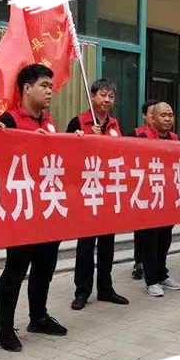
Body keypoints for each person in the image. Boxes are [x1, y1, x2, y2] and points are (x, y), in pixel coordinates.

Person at [0, 64, 68, 352]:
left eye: (51, 86)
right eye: (44, 86)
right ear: (26, 88)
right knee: (15, 270)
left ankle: (38, 317)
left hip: (48, 207)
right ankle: (4, 329)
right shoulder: (8, 120)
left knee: (45, 267)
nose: (50, 91)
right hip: (20, 209)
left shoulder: (49, 123)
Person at [66, 78, 129, 310]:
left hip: (109, 190)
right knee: (85, 244)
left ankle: (105, 288)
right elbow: (66, 154)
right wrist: (85, 140)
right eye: (103, 95)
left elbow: (122, 152)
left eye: (111, 96)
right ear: (92, 96)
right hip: (86, 190)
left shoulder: (115, 124)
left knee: (107, 243)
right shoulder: (78, 122)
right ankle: (82, 291)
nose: (107, 100)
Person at [136, 102, 180, 297]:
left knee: (165, 237)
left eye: (170, 115)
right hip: (150, 197)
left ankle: (162, 274)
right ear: (152, 118)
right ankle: (151, 280)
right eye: (163, 115)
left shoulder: (176, 139)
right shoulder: (142, 137)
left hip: (169, 197)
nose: (167, 119)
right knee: (151, 239)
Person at [129, 99, 160, 280]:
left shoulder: (170, 137)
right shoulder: (136, 134)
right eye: (151, 113)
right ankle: (139, 262)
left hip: (160, 189)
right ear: (145, 116)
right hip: (141, 187)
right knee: (141, 230)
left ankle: (157, 266)